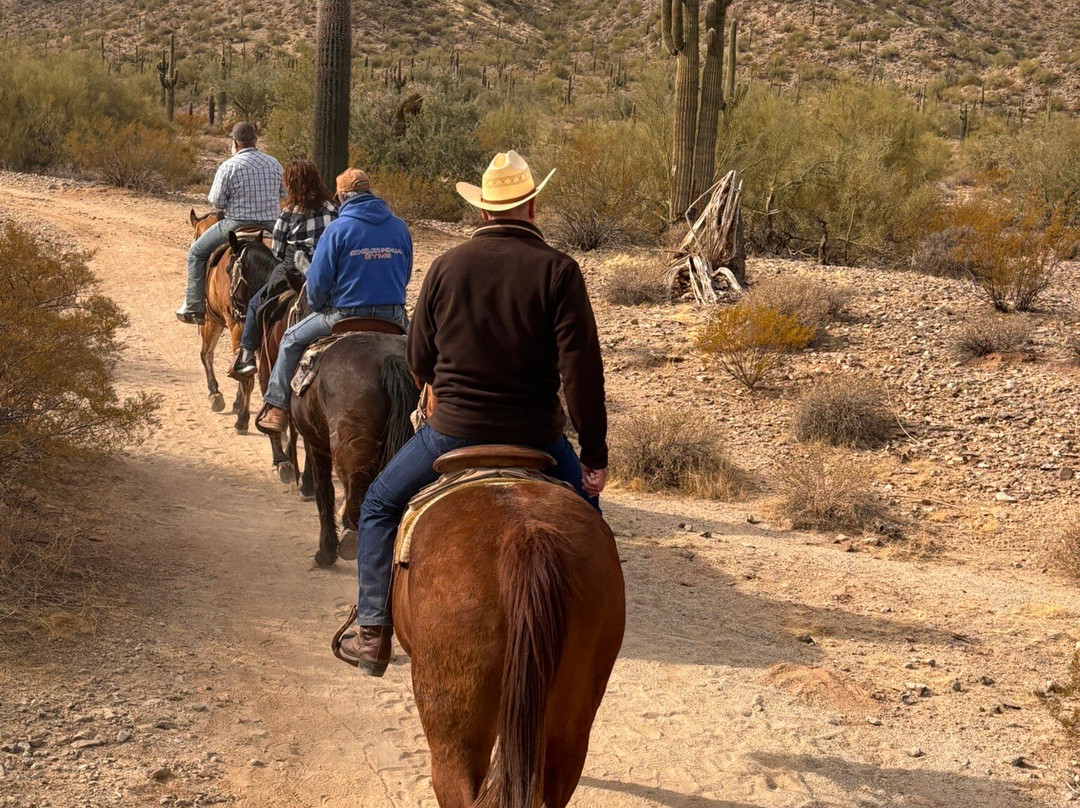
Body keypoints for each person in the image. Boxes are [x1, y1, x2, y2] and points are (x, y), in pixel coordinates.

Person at [336, 150, 608, 676]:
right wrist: (593, 457)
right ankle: (593, 634)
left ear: (483, 210)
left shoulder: (447, 266)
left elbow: (419, 357)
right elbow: (582, 374)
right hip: (538, 436)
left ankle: (372, 632)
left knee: (379, 506)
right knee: (590, 521)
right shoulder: (560, 271)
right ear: (532, 207)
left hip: (451, 433)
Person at [255, 168, 413, 434]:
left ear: (341, 196)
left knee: (291, 339)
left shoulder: (337, 229)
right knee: (424, 352)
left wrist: (319, 305)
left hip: (345, 314)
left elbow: (318, 282)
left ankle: (277, 407)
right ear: (370, 192)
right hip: (393, 315)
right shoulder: (399, 227)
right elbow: (405, 274)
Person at [231, 160, 338, 378]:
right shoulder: (333, 208)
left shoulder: (288, 213)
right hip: (329, 271)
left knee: (256, 303)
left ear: (290, 184)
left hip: (295, 271)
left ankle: (247, 355)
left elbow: (277, 252)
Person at [177, 122, 284, 325]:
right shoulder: (274, 163)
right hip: (271, 225)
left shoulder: (229, 166)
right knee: (292, 255)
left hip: (236, 224)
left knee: (196, 253)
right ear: (255, 140)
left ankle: (194, 306)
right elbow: (283, 193)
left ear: (235, 143)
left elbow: (217, 202)